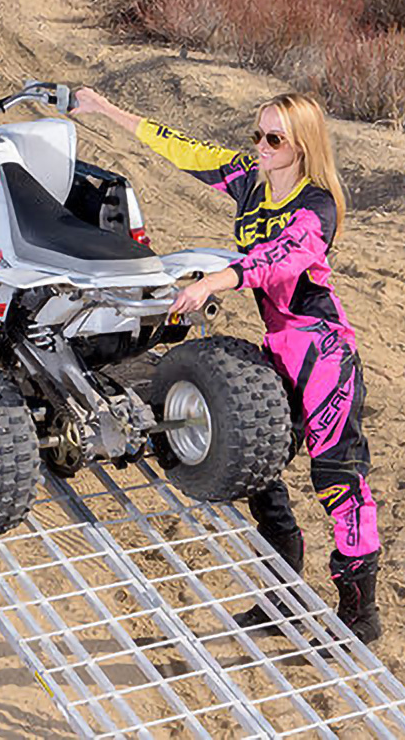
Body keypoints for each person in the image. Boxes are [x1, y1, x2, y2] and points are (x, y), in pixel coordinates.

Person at [72, 87, 381, 642]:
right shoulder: (249, 181)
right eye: (257, 134)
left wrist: (217, 279)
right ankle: (282, 596)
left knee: (338, 481)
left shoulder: (318, 206)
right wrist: (104, 109)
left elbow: (280, 257)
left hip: (322, 352)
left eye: (274, 139)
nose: (260, 146)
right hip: (278, 346)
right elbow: (182, 148)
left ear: (302, 146)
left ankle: (361, 616)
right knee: (255, 457)